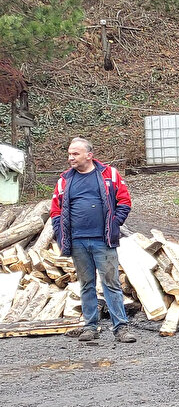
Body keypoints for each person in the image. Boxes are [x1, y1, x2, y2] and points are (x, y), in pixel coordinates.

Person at [50, 137, 135, 343]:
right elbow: (55, 211)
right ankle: (90, 327)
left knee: (111, 283)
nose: (71, 158)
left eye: (75, 154)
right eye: (69, 154)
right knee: (86, 284)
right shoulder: (64, 180)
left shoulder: (109, 175)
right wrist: (61, 235)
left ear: (89, 155)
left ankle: (121, 328)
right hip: (77, 241)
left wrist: (115, 224)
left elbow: (124, 201)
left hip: (102, 240)